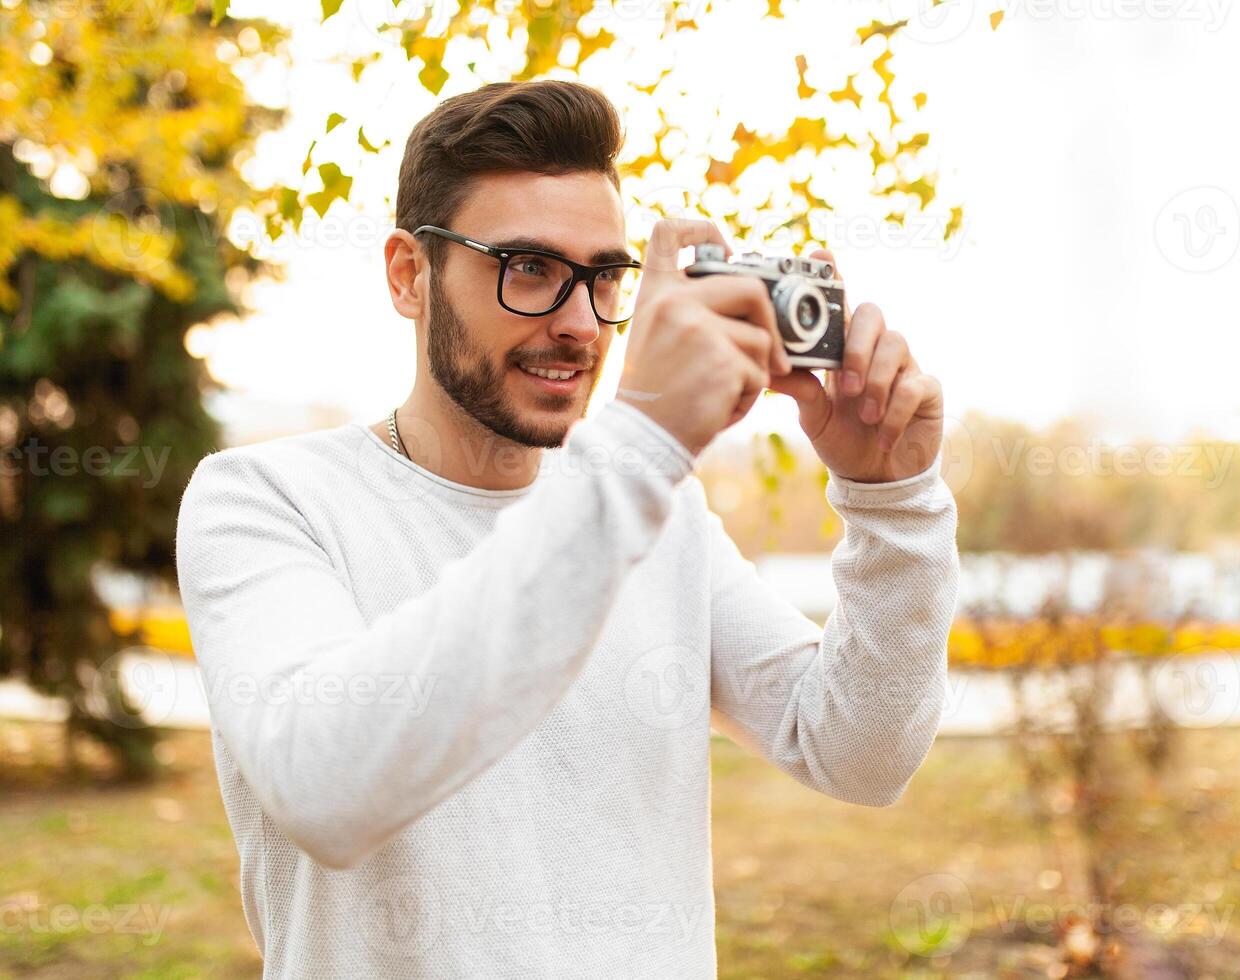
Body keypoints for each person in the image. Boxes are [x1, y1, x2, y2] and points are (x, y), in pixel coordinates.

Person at [175, 80, 960, 979]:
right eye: (529, 269)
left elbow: (858, 755)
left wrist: (890, 501)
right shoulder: (264, 499)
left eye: (604, 277)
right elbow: (324, 789)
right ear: (408, 274)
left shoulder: (657, 513)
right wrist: (641, 444)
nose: (581, 324)